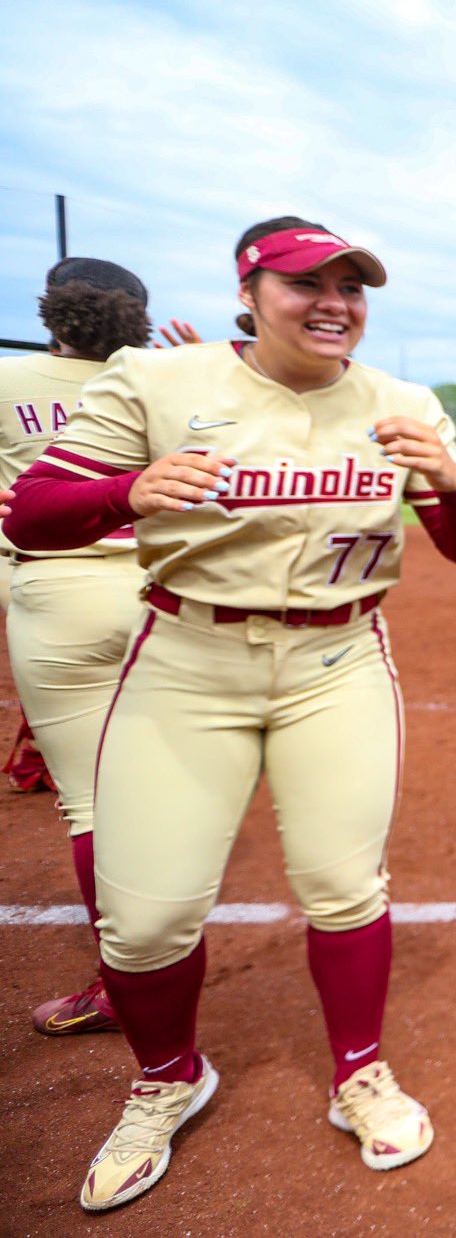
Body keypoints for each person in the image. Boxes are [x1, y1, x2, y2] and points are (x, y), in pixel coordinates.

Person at [4, 217, 456, 1212]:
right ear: (249, 292)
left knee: (343, 885)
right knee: (144, 919)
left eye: (352, 287)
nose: (334, 303)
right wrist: (129, 490)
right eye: (306, 284)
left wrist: (449, 483)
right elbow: (31, 513)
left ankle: (358, 1070)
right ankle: (167, 1079)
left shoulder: (401, 402)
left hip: (335, 659)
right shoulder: (160, 383)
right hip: (188, 659)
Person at [0, 258, 173, 1037]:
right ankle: (172, 926)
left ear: (54, 313)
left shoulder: (9, 381)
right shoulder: (160, 380)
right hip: (153, 591)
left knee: (92, 805)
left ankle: (122, 980)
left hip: (54, 596)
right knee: (169, 778)